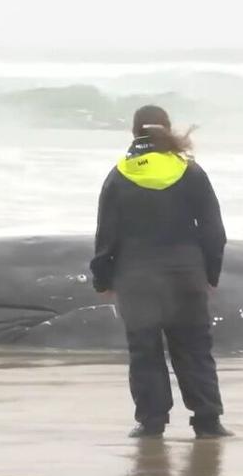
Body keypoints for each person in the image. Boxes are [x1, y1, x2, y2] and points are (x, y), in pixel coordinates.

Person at [90, 105, 231, 439]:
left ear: (133, 132)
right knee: (195, 348)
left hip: (137, 279)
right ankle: (208, 422)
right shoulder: (191, 172)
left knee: (145, 352)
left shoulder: (120, 175)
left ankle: (152, 423)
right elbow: (214, 231)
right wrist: (210, 274)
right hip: (186, 275)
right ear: (167, 129)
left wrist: (103, 280)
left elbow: (105, 236)